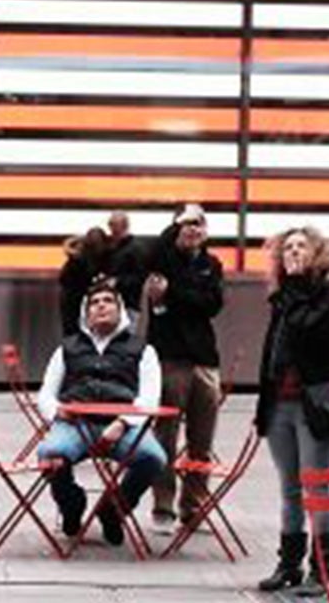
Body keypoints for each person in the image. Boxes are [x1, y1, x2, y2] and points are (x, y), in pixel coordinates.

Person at [252, 226, 329, 593]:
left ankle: (322, 569)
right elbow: (270, 355)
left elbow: (311, 333)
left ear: (317, 253)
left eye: (301, 246)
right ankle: (289, 564)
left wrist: (293, 290)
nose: (294, 252)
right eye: (288, 248)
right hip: (280, 402)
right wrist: (262, 408)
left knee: (316, 484)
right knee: (289, 487)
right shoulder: (282, 297)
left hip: (317, 405)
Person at [34, 276, 167, 544]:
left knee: (154, 458)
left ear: (120, 311)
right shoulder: (66, 348)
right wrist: (58, 412)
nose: (101, 306)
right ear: (86, 312)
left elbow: (149, 398)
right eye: (94, 303)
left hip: (123, 425)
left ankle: (113, 510)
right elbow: (45, 395)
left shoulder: (144, 349)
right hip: (75, 424)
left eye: (108, 301)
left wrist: (123, 423)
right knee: (49, 453)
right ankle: (72, 504)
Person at [142, 204, 227, 527]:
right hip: (170, 357)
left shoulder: (211, 264)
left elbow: (211, 304)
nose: (193, 230)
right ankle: (162, 506)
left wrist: (173, 294)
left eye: (199, 224)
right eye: (186, 224)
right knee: (165, 435)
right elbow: (150, 256)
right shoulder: (164, 258)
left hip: (205, 359)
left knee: (201, 440)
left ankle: (193, 506)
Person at [56, 228, 111, 337]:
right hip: (74, 300)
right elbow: (64, 278)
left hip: (86, 300)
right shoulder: (78, 258)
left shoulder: (104, 257)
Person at [106, 209, 149, 311]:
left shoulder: (136, 249)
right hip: (114, 303)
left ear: (124, 225)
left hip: (129, 303)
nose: (111, 229)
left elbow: (141, 277)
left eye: (113, 225)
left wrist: (118, 281)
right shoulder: (112, 248)